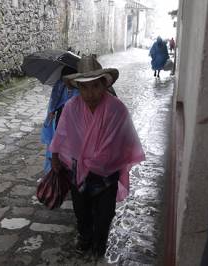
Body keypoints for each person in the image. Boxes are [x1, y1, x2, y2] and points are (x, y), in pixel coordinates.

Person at [49, 56, 145, 260]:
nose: (89, 93)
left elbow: (126, 139)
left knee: (104, 215)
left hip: (107, 175)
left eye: (95, 86)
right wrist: (55, 156)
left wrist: (104, 156)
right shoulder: (71, 107)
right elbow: (61, 134)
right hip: (78, 172)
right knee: (81, 211)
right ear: (78, 88)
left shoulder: (117, 110)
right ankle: (85, 238)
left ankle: (99, 244)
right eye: (84, 88)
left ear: (104, 85)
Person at [41, 66, 79, 172]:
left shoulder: (80, 90)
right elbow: (54, 102)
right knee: (58, 144)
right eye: (64, 80)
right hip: (59, 119)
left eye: (69, 80)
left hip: (73, 125)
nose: (66, 83)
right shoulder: (59, 86)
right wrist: (52, 111)